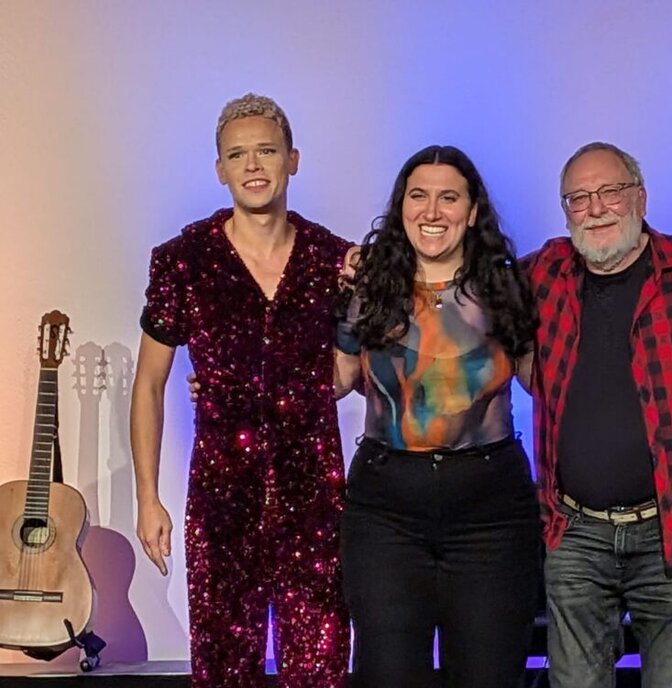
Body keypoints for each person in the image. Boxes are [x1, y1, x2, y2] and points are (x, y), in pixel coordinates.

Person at [130, 93, 351, 688]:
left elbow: (349, 374)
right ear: (220, 169)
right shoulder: (184, 262)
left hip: (316, 503)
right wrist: (148, 497)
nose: (253, 165)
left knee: (321, 669)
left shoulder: (335, 260)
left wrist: (300, 385)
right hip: (223, 502)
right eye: (237, 154)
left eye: (266, 151)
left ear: (293, 160)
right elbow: (149, 384)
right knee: (224, 670)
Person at [523, 142, 672, 688]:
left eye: (610, 192)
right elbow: (458, 285)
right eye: (578, 198)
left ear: (640, 197)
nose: (595, 208)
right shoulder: (541, 273)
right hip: (575, 534)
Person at [334, 145, 542, 688]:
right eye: (418, 196)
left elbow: (540, 380)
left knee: (489, 675)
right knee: (388, 674)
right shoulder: (368, 286)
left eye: (449, 197)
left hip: (491, 508)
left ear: (473, 211)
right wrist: (227, 386)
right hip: (386, 509)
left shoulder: (506, 286)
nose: (432, 211)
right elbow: (336, 382)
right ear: (401, 207)